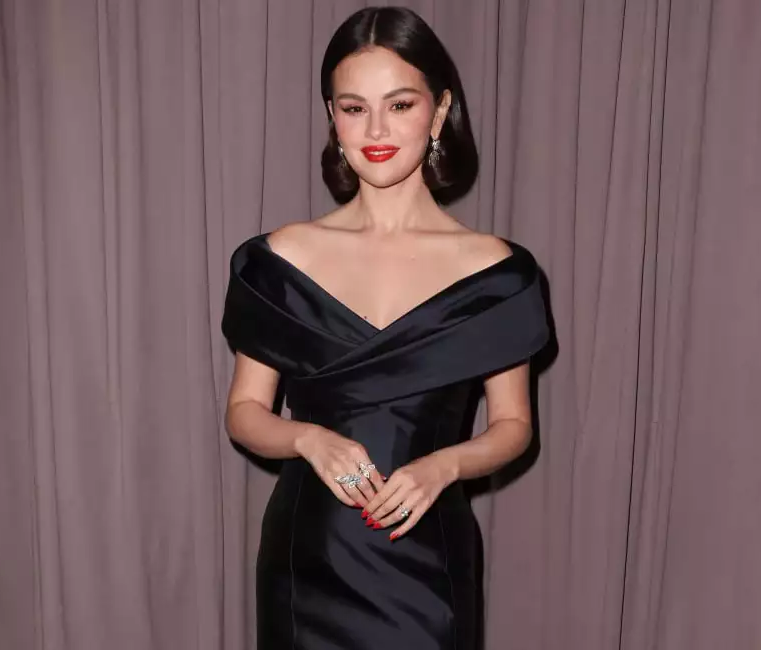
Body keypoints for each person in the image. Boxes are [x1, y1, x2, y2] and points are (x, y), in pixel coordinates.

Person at [221, 6, 550, 649]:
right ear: (332, 116)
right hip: (309, 560)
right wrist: (307, 439)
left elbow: (514, 425)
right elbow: (244, 413)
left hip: (426, 557)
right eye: (354, 108)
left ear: (440, 109)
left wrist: (444, 467)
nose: (375, 129)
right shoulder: (279, 259)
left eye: (400, 105)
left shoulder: (497, 273)